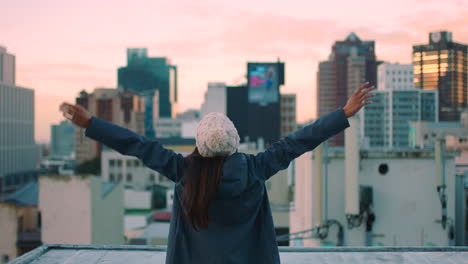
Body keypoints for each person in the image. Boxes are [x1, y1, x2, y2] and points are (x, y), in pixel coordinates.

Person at [61, 82, 375, 264]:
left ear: (199, 145)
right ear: (235, 142)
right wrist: (342, 114)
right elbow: (299, 141)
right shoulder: (255, 169)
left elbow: (138, 145)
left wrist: (92, 123)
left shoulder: (183, 171)